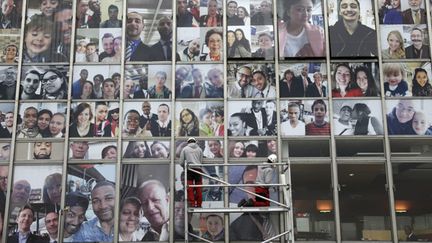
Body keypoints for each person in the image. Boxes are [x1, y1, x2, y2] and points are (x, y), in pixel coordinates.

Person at [180, 137, 203, 207]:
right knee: (198, 188)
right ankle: (199, 204)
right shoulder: (199, 149)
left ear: (188, 142)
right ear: (195, 142)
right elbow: (201, 161)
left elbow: (181, 162)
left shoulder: (185, 149)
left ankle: (192, 204)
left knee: (190, 188)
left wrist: (184, 167)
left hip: (189, 170)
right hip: (198, 170)